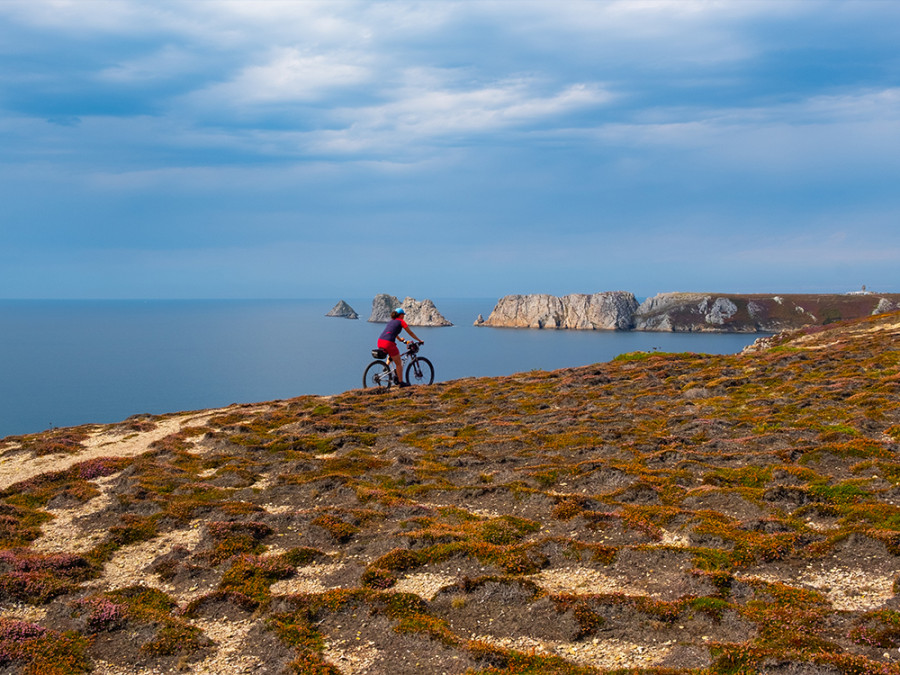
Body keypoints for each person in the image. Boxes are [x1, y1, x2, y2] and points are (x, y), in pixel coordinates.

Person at [377, 308, 423, 387]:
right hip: (388, 343)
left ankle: (386, 366)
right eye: (403, 315)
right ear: (401, 315)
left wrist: (400, 339)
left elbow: (392, 332)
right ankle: (401, 382)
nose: (404, 316)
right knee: (399, 363)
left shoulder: (391, 321)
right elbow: (410, 333)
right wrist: (419, 340)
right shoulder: (401, 322)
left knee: (391, 354)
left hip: (380, 341)